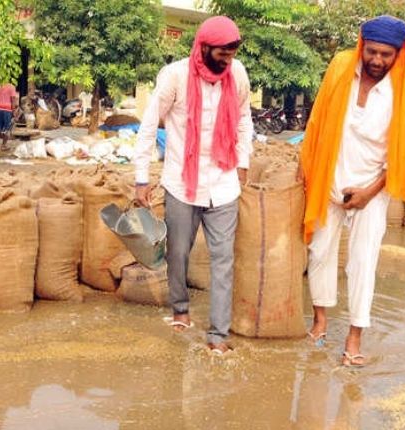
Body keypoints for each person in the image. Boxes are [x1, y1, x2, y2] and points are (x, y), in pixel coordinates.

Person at [298, 15, 405, 367]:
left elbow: (404, 155)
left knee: (362, 263)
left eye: (386, 54)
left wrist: (369, 192)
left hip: (372, 190)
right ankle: (320, 322)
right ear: (361, 46)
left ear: (398, 54)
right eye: (372, 52)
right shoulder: (340, 68)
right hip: (329, 180)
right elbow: (318, 118)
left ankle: (354, 336)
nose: (377, 60)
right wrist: (306, 168)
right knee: (319, 253)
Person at [134, 16, 253, 354]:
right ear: (203, 47)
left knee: (223, 258)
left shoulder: (238, 75)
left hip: (223, 181)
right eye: (221, 54)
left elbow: (244, 120)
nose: (227, 61)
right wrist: (141, 177)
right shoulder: (175, 76)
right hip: (180, 182)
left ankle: (218, 334)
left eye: (232, 54)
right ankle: (181, 308)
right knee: (178, 252)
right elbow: (148, 125)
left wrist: (243, 163)